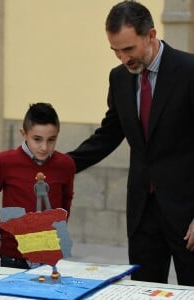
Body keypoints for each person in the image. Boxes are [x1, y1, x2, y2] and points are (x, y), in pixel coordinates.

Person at [68, 1, 194, 286]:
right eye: (115, 50)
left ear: (150, 35)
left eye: (129, 49)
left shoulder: (189, 71)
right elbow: (110, 133)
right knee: (143, 290)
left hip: (187, 214)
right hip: (142, 212)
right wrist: (61, 165)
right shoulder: (119, 78)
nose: (123, 58)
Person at [0, 102, 75, 269]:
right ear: (23, 133)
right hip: (13, 255)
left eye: (51, 140)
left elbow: (66, 201)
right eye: (37, 139)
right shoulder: (6, 161)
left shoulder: (66, 164)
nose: (44, 147)